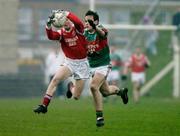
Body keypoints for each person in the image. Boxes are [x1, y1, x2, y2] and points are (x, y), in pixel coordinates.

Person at [33, 10, 89, 113]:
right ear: (61, 22)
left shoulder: (78, 29)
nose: (66, 22)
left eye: (68, 20)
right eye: (64, 20)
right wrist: (48, 25)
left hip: (83, 64)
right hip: (70, 63)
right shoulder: (61, 33)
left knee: (76, 96)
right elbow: (51, 36)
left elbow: (78, 22)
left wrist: (66, 13)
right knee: (55, 80)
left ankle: (71, 87)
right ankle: (44, 105)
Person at [83, 10, 128, 127]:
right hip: (92, 66)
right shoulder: (84, 33)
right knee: (106, 92)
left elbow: (103, 34)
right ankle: (121, 92)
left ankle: (99, 116)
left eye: (89, 21)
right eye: (85, 21)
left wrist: (95, 27)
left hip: (103, 65)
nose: (86, 23)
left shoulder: (100, 29)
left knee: (93, 87)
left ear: (96, 21)